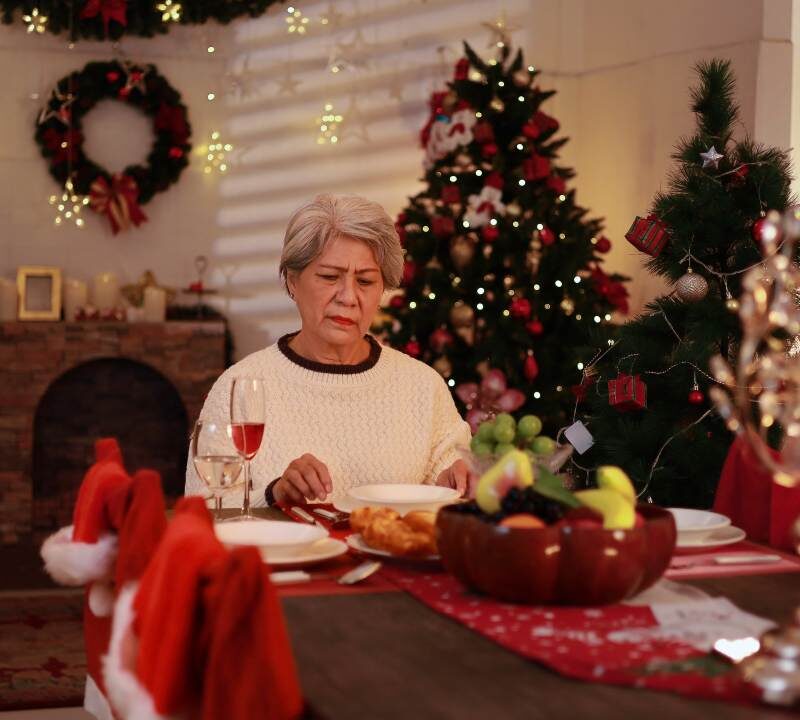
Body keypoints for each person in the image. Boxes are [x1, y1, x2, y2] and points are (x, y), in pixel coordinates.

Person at [185, 193, 473, 507]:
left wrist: (456, 482)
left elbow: (450, 481)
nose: (348, 297)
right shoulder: (240, 386)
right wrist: (275, 493)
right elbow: (202, 508)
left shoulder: (422, 385)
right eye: (329, 277)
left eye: (365, 281)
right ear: (292, 281)